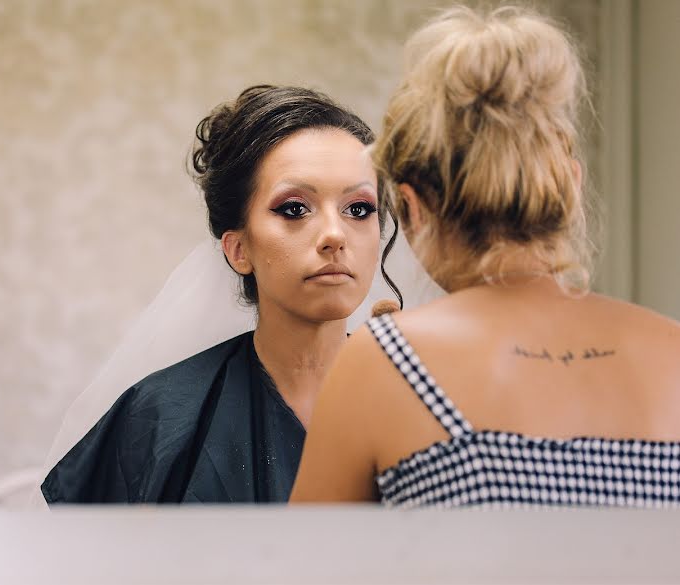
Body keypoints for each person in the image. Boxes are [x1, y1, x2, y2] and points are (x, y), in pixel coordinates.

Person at [291, 6, 680, 507]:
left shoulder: (386, 359)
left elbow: (309, 574)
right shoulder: (673, 349)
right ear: (571, 188)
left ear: (412, 205)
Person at [42, 85, 415, 504]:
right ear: (239, 250)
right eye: (294, 208)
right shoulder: (160, 417)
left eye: (359, 209)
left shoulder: (423, 406)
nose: (334, 234)